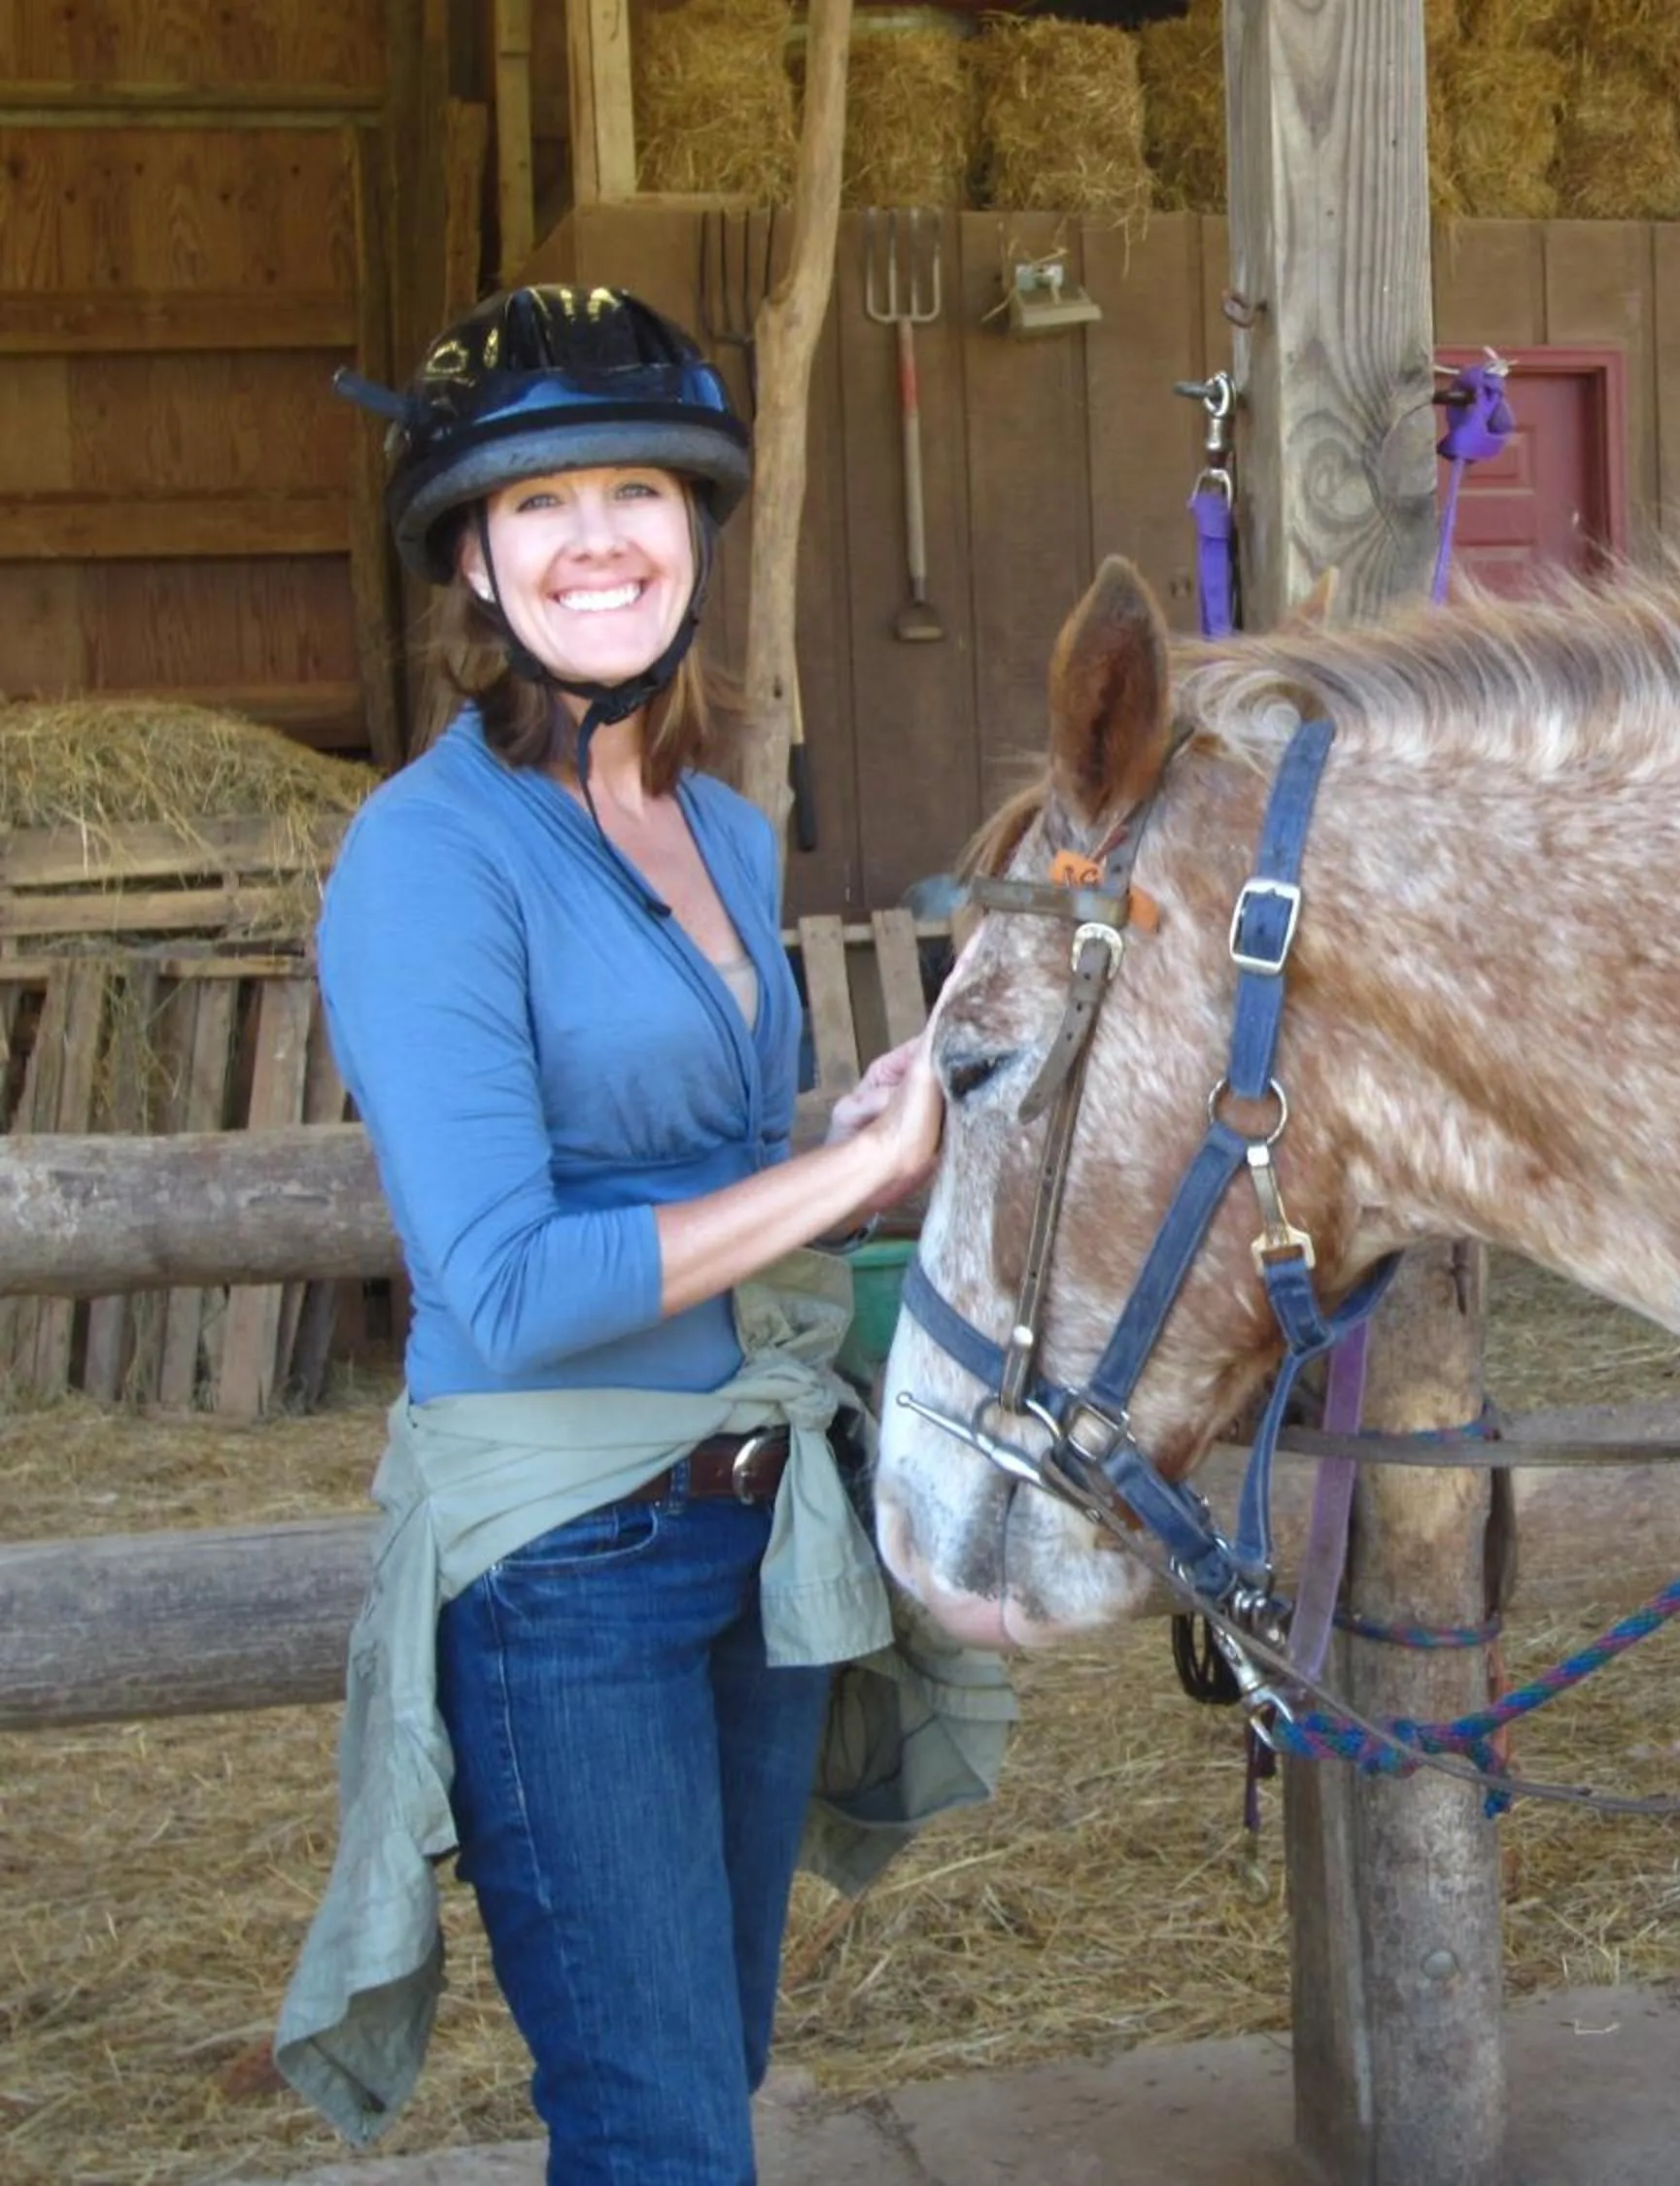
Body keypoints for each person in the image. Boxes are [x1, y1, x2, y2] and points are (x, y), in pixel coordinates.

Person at [274, 285, 992, 2181]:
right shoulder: (427, 860)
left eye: (637, 495)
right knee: (659, 2122)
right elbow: (503, 1285)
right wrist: (836, 1189)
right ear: (474, 562)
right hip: (562, 1562)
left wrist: (835, 1132)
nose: (597, 538)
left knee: (707, 2062)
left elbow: (699, 1158)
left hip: (754, 1516)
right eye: (541, 507)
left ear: (694, 527)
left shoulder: (720, 828)